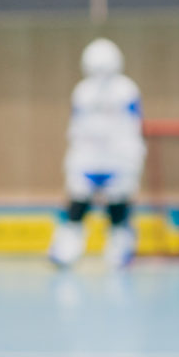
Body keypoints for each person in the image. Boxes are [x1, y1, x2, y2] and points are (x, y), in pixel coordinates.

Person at [48, 38, 146, 269]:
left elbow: (134, 123)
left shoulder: (126, 89)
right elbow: (76, 125)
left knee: (118, 201)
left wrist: (133, 155)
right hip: (87, 157)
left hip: (118, 157)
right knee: (78, 200)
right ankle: (68, 247)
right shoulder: (82, 91)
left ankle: (119, 246)